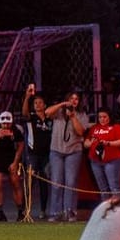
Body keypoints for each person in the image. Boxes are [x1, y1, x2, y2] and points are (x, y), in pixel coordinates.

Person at [43, 93, 87, 221]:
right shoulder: (58, 112)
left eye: (76, 99)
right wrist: (62, 105)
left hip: (74, 151)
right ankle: (55, 212)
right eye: (71, 98)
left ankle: (70, 212)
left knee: (70, 182)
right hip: (56, 151)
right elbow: (47, 112)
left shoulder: (82, 115)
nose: (74, 101)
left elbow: (80, 131)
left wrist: (72, 117)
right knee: (56, 182)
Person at [85, 109, 120, 202]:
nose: (102, 119)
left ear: (109, 117)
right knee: (102, 189)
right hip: (95, 161)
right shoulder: (94, 128)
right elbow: (86, 143)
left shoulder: (116, 127)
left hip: (113, 160)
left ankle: (118, 208)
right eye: (100, 117)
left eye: (104, 117)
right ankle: (105, 208)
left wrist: (108, 143)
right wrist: (91, 143)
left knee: (114, 186)